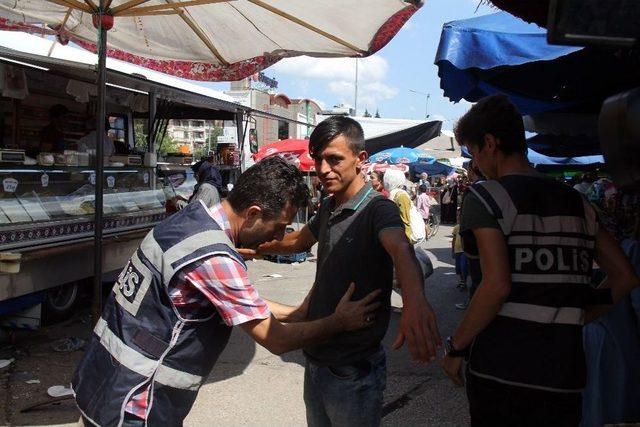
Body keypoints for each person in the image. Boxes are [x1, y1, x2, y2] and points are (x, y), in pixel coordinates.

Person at [72, 157, 382, 427]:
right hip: (137, 402)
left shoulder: (187, 221)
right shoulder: (214, 256)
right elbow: (277, 339)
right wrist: (340, 322)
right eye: (279, 225)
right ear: (252, 214)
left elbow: (238, 301)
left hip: (100, 381)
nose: (278, 236)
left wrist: (297, 313)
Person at [441, 94, 640, 426]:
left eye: (474, 152)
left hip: (502, 373)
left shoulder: (486, 197)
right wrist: (577, 313)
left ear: (490, 143)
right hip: (565, 376)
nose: (476, 164)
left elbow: (496, 285)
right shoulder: (577, 202)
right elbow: (625, 277)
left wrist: (456, 347)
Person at [241, 116, 440, 427]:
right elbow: (298, 242)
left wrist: (415, 304)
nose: (322, 169)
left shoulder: (378, 209)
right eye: (318, 158)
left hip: (353, 372)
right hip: (316, 361)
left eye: (334, 159)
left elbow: (401, 249)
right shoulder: (330, 206)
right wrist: (252, 246)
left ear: (360, 159)